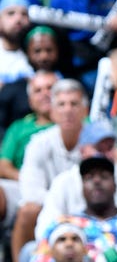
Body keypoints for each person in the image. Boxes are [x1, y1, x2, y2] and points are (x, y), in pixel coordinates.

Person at [12, 78, 88, 262]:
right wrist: (60, 207)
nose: (68, 110)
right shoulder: (38, 143)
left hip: (88, 212)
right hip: (49, 209)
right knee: (27, 211)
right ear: (52, 112)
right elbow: (31, 191)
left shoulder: (97, 142)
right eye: (61, 104)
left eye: (74, 104)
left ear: (85, 110)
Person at [0, 70, 57, 180]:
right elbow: (3, 166)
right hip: (21, 183)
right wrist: (29, 181)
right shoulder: (18, 127)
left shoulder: (75, 123)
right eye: (38, 91)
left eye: (50, 88)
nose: (45, 94)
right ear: (30, 101)